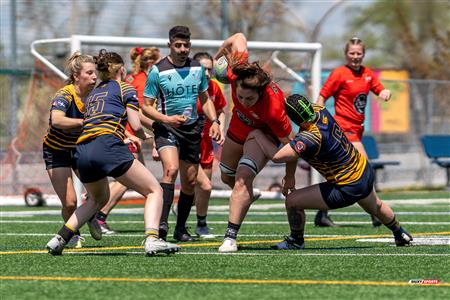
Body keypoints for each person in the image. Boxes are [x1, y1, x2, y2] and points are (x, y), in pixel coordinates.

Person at [46, 49, 180, 256]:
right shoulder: (125, 88)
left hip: (81, 150)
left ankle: (60, 238)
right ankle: (153, 239)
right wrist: (148, 136)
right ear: (122, 69)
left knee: (97, 199)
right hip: (101, 146)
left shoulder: (94, 93)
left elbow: (101, 121)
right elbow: (135, 125)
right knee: (154, 190)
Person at [250, 94, 412, 249]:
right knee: (376, 206)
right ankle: (400, 233)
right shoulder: (319, 109)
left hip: (348, 185)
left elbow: (278, 157)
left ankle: (296, 241)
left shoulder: (311, 138)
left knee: (292, 201)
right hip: (363, 170)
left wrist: (256, 133)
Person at [213, 33, 296, 253]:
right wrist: (218, 56)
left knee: (242, 178)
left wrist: (290, 176)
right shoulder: (237, 72)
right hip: (237, 130)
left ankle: (230, 237)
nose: (243, 101)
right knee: (225, 176)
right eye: (239, 97)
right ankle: (249, 193)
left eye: (249, 99)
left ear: (260, 93)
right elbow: (238, 37)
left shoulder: (274, 109)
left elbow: (292, 146)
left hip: (261, 136)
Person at [142, 26, 221, 242]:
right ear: (169, 45)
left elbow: (205, 99)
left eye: (186, 45)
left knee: (190, 181)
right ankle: (162, 224)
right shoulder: (157, 71)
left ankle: (180, 229)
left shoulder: (197, 69)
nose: (183, 49)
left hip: (191, 130)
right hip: (167, 128)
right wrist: (167, 119)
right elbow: (146, 106)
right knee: (171, 169)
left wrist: (215, 122)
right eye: (178, 45)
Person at [314, 37, 391, 227]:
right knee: (364, 169)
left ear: (363, 54)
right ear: (346, 54)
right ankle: (376, 212)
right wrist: (318, 119)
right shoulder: (339, 73)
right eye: (352, 53)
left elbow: (378, 88)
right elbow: (322, 97)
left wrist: (384, 93)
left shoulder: (367, 73)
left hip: (357, 130)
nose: (355, 57)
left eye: (359, 53)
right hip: (343, 130)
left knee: (340, 172)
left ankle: (322, 214)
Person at [95, 47, 161, 235]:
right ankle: (99, 213)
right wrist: (157, 129)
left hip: (120, 132)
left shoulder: (133, 79)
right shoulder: (140, 82)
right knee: (127, 179)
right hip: (127, 132)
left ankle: (97, 207)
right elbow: (138, 113)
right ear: (151, 63)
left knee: (136, 178)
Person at [42, 52, 97, 249]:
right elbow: (57, 120)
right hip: (56, 151)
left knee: (98, 194)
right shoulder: (65, 94)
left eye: (95, 73)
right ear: (76, 76)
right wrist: (83, 122)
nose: (94, 77)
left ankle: (90, 214)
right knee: (70, 203)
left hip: (81, 149)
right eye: (89, 73)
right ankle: (73, 233)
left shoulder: (96, 96)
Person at [193, 52, 227, 237]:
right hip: (187, 143)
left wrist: (219, 127)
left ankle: (201, 224)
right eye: (202, 68)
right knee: (203, 186)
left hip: (206, 144)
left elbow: (222, 110)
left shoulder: (214, 87)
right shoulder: (187, 87)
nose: (206, 73)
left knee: (202, 188)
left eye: (209, 69)